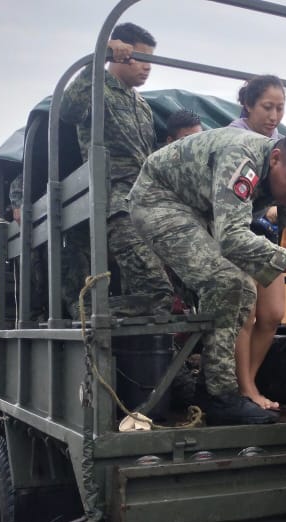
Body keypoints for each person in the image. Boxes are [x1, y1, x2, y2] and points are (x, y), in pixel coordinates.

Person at [127, 127, 286, 425]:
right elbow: (232, 239)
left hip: (203, 212)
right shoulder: (241, 158)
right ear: (275, 158)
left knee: (242, 290)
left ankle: (211, 386)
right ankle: (218, 394)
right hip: (160, 199)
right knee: (228, 282)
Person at [60, 22, 175, 318]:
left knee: (170, 290)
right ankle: (84, 310)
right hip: (113, 201)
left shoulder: (143, 105)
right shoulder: (98, 90)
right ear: (120, 54)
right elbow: (69, 110)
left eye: (152, 60)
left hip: (144, 201)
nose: (148, 67)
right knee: (156, 294)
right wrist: (100, 56)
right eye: (141, 58)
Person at [228, 74, 286, 410]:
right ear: (248, 105)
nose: (274, 116)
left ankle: (247, 384)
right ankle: (247, 388)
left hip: (268, 236)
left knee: (274, 314)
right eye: (267, 107)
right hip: (239, 233)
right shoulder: (233, 139)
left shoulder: (282, 145)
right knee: (247, 315)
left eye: (280, 108)